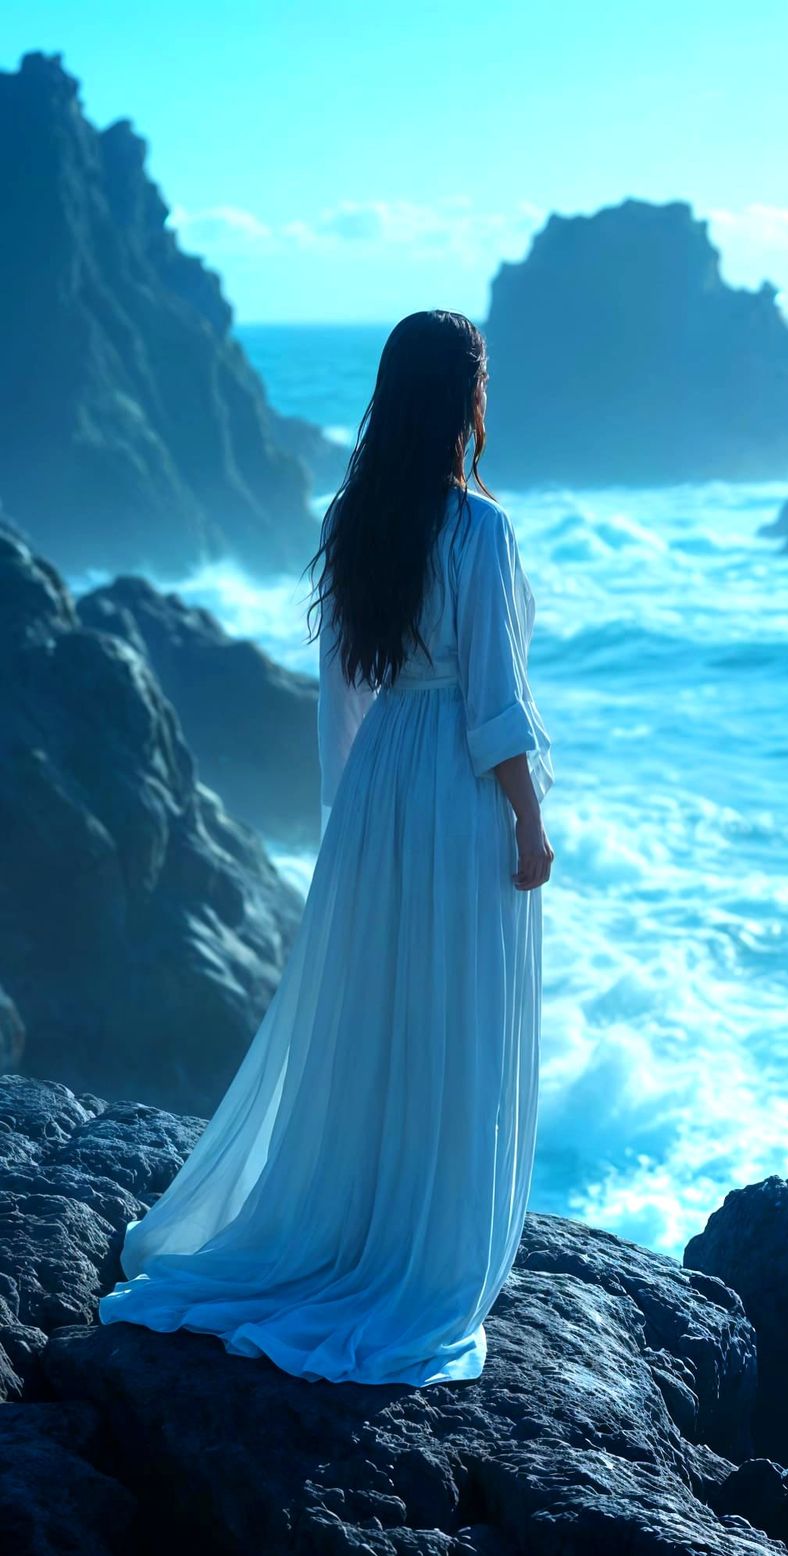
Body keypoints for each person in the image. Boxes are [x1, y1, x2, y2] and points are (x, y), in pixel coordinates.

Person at [97, 310, 556, 1386]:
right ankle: (419, 1245)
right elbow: (495, 706)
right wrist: (530, 825)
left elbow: (341, 691)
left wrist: (354, 813)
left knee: (385, 1016)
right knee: (452, 1019)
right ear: (464, 397)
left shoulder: (358, 518)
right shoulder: (477, 532)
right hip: (449, 783)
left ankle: (354, 1224)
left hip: (380, 783)